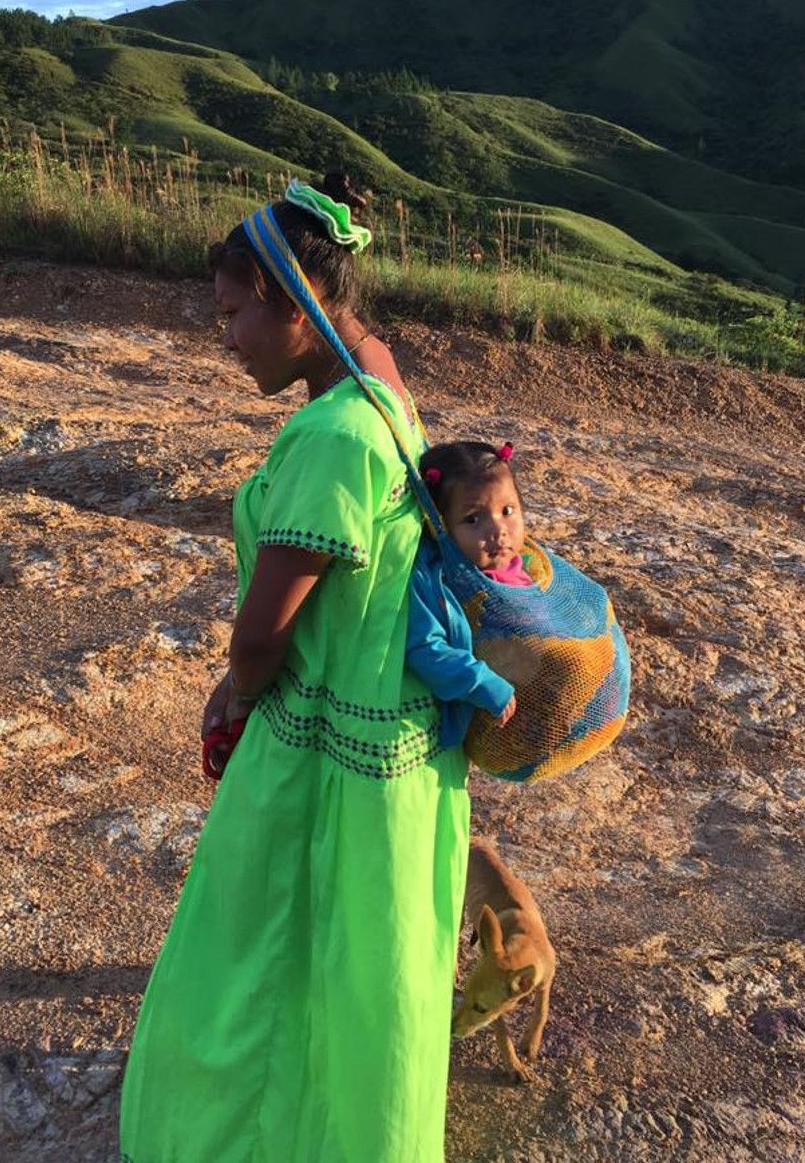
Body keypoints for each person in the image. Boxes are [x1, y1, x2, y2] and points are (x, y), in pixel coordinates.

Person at [119, 172, 470, 1163]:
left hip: (315, 749)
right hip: (389, 739)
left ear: (286, 303)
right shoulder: (379, 386)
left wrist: (232, 694)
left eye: (232, 314)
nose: (223, 338)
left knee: (254, 952)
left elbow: (265, 632)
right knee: (360, 963)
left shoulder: (330, 440)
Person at [406, 440, 534, 750]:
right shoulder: (435, 582)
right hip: (471, 716)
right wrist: (484, 684)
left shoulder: (525, 563)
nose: (498, 531)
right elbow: (425, 648)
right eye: (473, 519)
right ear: (440, 527)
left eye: (507, 510)